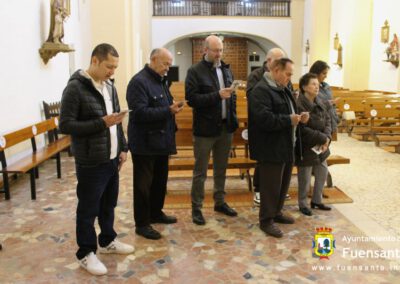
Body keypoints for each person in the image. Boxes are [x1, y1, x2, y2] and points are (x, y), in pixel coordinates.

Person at [60, 43, 134, 276]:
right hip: (91, 160)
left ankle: (107, 240)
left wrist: (123, 148)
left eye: (115, 67)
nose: (112, 71)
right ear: (94, 61)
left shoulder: (109, 85)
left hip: (112, 158)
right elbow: (66, 125)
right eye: (108, 66)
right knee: (88, 209)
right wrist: (101, 122)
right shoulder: (75, 88)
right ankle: (85, 252)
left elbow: (117, 120)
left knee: (108, 205)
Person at [248, 58, 309, 238]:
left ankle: (277, 212)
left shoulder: (283, 89)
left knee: (283, 184)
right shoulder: (261, 90)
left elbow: (290, 111)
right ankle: (266, 220)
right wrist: (289, 120)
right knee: (270, 185)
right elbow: (264, 119)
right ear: (275, 70)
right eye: (288, 74)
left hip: (286, 144)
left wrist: (300, 117)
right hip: (270, 146)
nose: (290, 78)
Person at [126, 48, 182, 240]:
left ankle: (155, 213)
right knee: (143, 185)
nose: (168, 68)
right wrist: (169, 110)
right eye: (165, 63)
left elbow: (162, 106)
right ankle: (142, 223)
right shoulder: (139, 82)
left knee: (159, 181)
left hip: (161, 141)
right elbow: (140, 113)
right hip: (145, 143)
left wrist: (171, 108)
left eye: (169, 64)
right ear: (153, 59)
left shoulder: (160, 80)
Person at [185, 35, 239, 225]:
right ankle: (196, 208)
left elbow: (230, 98)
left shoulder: (226, 70)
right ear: (205, 50)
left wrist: (233, 117)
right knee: (200, 171)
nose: (218, 54)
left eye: (221, 50)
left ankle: (220, 202)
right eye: (215, 50)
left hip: (226, 128)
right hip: (205, 130)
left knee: (221, 169)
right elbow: (192, 99)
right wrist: (216, 95)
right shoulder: (195, 71)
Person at [247, 48, 286, 206]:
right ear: (269, 61)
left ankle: (276, 192)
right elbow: (253, 99)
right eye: (278, 62)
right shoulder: (256, 76)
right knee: (263, 161)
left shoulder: (281, 76)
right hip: (262, 125)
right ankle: (258, 190)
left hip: (278, 124)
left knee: (275, 161)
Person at [296, 73, 332, 216]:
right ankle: (303, 203)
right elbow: (302, 129)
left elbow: (328, 119)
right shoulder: (299, 104)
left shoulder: (320, 101)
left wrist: (327, 137)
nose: (317, 87)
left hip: (321, 146)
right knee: (304, 177)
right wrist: (323, 138)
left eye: (318, 84)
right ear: (304, 87)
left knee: (322, 172)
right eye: (313, 84)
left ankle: (317, 200)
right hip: (306, 146)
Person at [309, 61, 339, 135]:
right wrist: (329, 103)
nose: (326, 76)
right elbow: (312, 107)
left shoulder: (326, 87)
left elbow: (332, 106)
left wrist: (336, 118)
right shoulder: (310, 88)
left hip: (329, 123)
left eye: (326, 73)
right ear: (316, 73)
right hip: (318, 125)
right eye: (324, 73)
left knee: (327, 144)